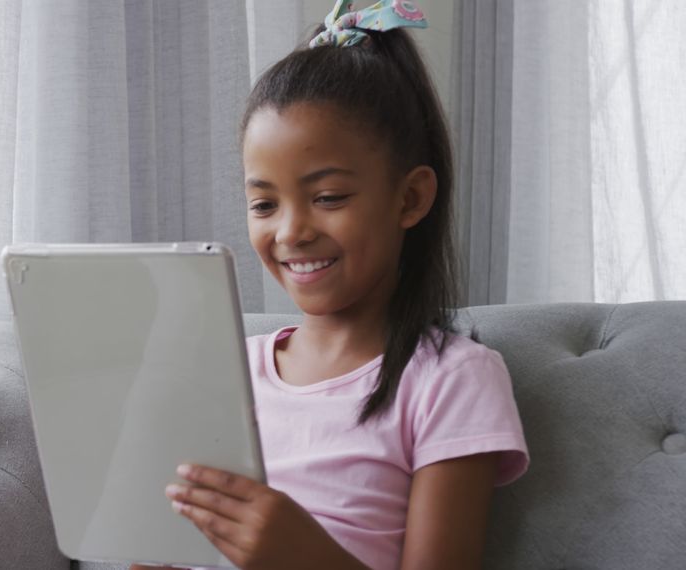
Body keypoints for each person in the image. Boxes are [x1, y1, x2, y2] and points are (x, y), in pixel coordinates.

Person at [130, 1, 529, 568]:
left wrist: (300, 554)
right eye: (264, 203)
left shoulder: (452, 379)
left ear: (410, 197)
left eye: (328, 198)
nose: (291, 231)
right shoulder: (225, 371)